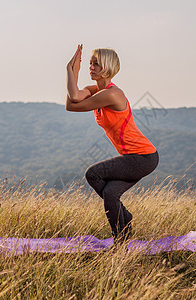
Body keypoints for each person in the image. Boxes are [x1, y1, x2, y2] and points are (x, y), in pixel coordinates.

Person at [65, 44, 159, 242]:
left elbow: (74, 98)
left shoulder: (112, 94)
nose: (91, 67)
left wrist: (70, 71)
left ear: (107, 66)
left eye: (96, 64)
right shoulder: (95, 90)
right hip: (134, 158)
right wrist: (73, 72)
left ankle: (121, 237)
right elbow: (70, 104)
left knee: (93, 173)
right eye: (89, 63)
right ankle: (124, 226)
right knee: (109, 194)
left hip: (142, 157)